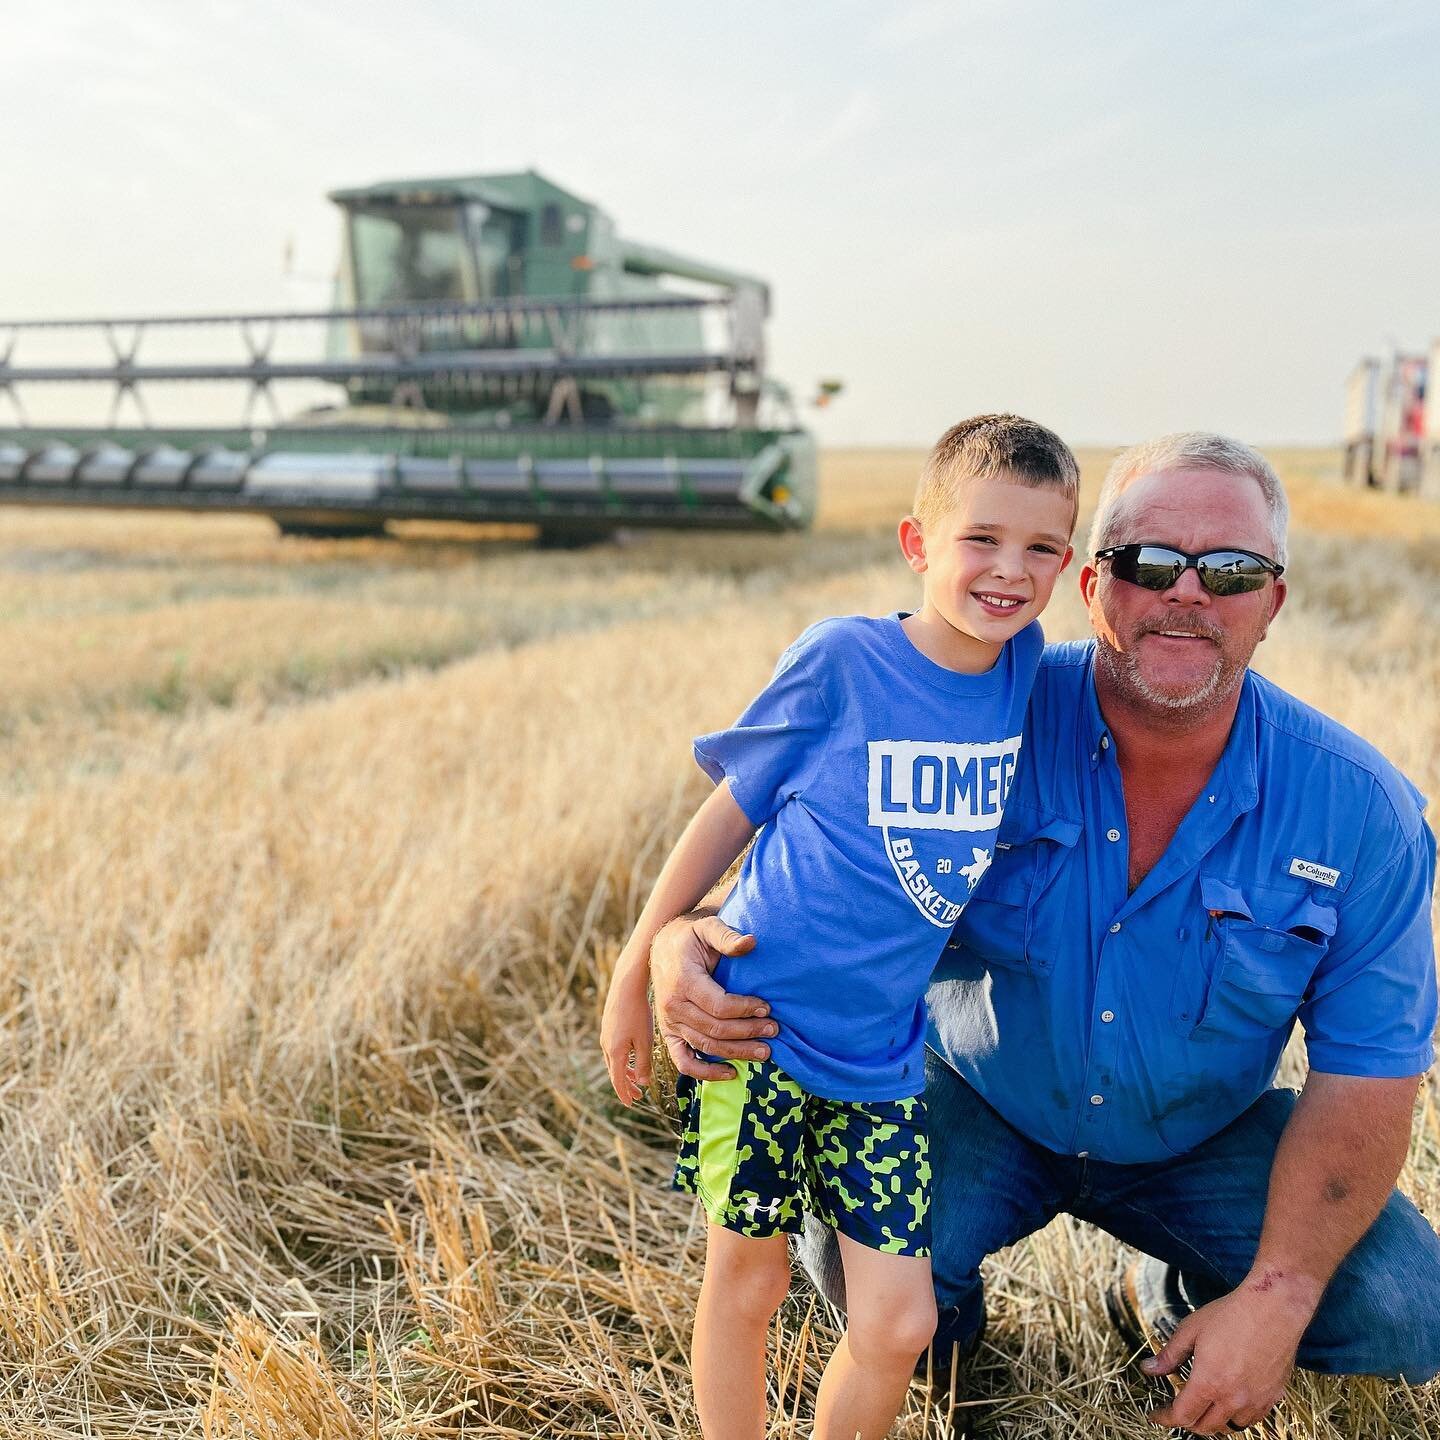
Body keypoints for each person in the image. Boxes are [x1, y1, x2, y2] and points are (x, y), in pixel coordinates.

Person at [648, 433, 1440, 1437]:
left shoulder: (1360, 812)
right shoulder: (978, 713)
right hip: (981, 1100)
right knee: (867, 1288)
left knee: (1401, 1312)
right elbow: (814, 867)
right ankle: (947, 1329)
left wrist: (1280, 1294)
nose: (1188, 595)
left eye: (1232, 571)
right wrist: (687, 937)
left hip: (1199, 1139)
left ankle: (1175, 1290)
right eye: (1151, 564)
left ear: (1272, 603)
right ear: (1096, 584)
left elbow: (1368, 1075)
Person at [599, 415, 1080, 1440]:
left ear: (1068, 565)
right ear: (918, 546)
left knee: (900, 1322)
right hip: (755, 1029)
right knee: (751, 1282)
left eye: (1041, 548)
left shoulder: (1022, 666)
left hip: (881, 1058)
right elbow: (732, 806)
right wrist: (641, 956)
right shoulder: (845, 662)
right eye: (981, 540)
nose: (1009, 571)